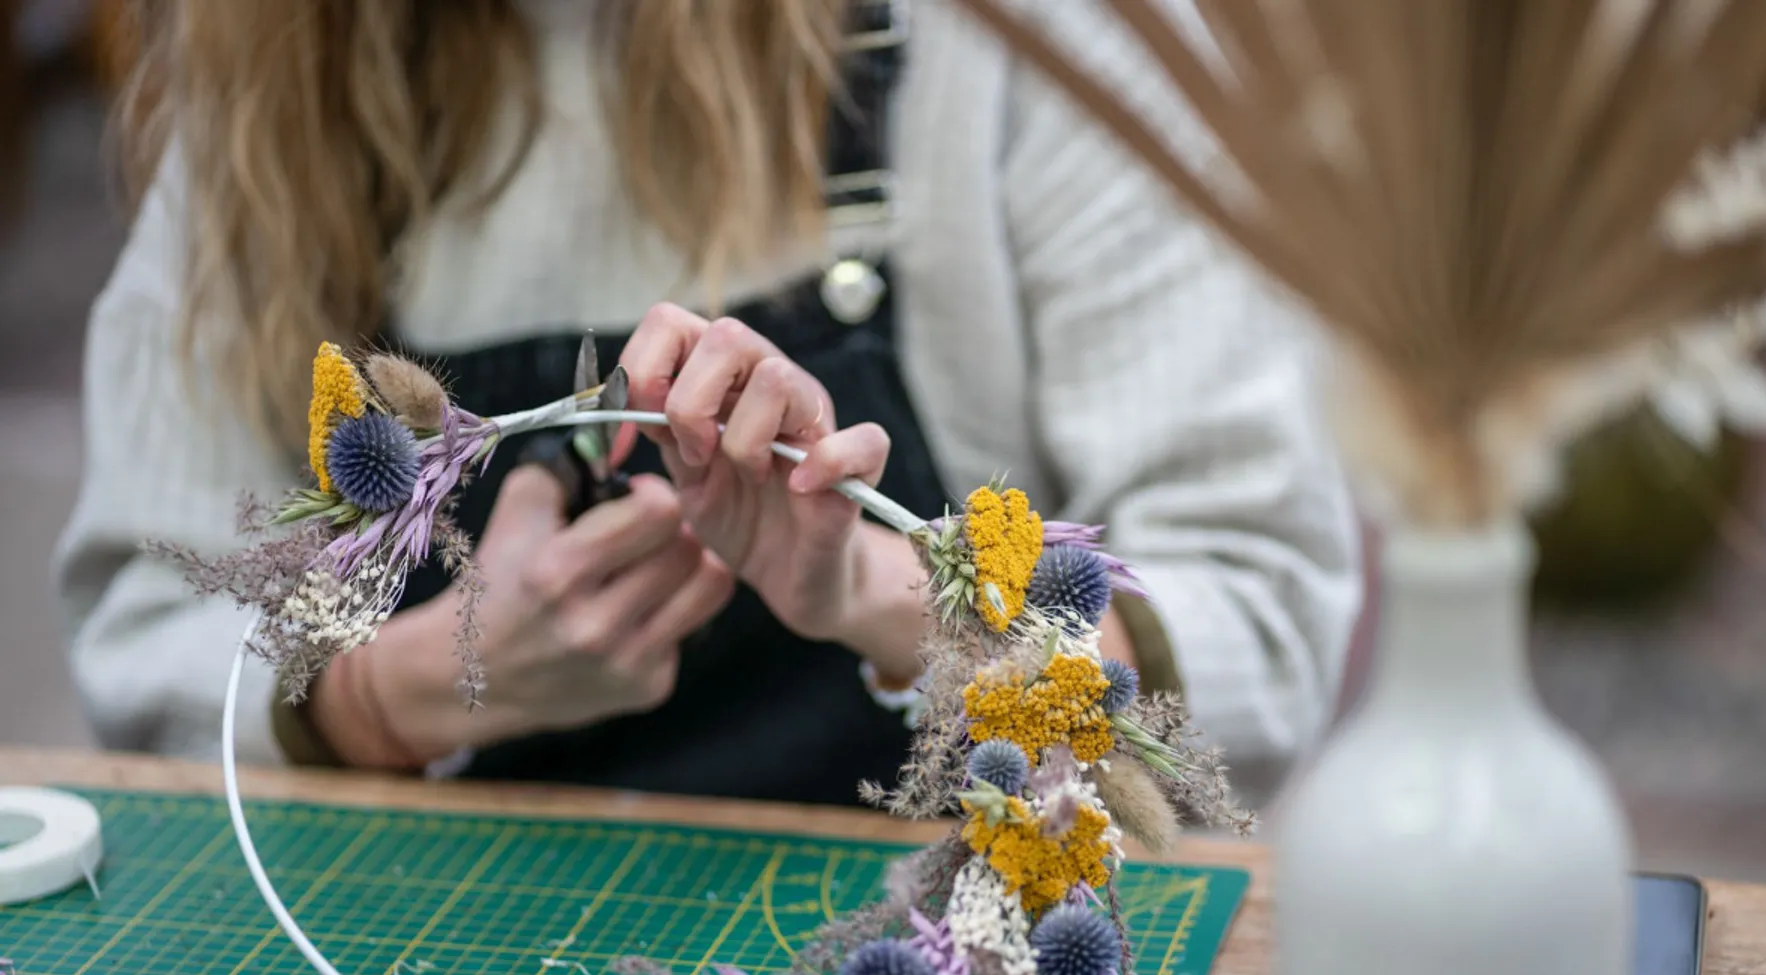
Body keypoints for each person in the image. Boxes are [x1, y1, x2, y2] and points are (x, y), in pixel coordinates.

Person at [54, 0, 1362, 808]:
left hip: (922, 967)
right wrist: (390, 695)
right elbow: (142, 631)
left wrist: (873, 586)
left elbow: (1258, 621)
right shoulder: (273, 88)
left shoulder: (1023, 43)